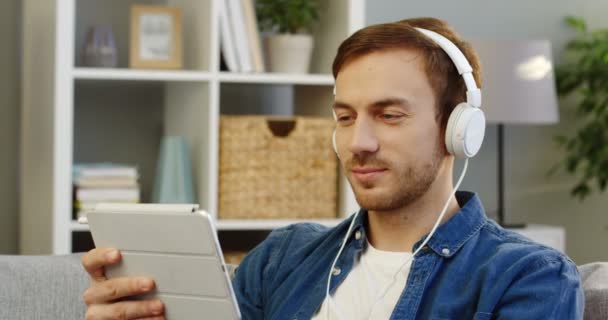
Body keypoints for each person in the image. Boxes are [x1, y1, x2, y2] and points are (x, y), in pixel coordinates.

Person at [80, 17, 584, 319]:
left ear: (458, 129)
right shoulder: (283, 258)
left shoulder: (528, 277)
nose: (357, 143)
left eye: (389, 115)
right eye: (345, 117)